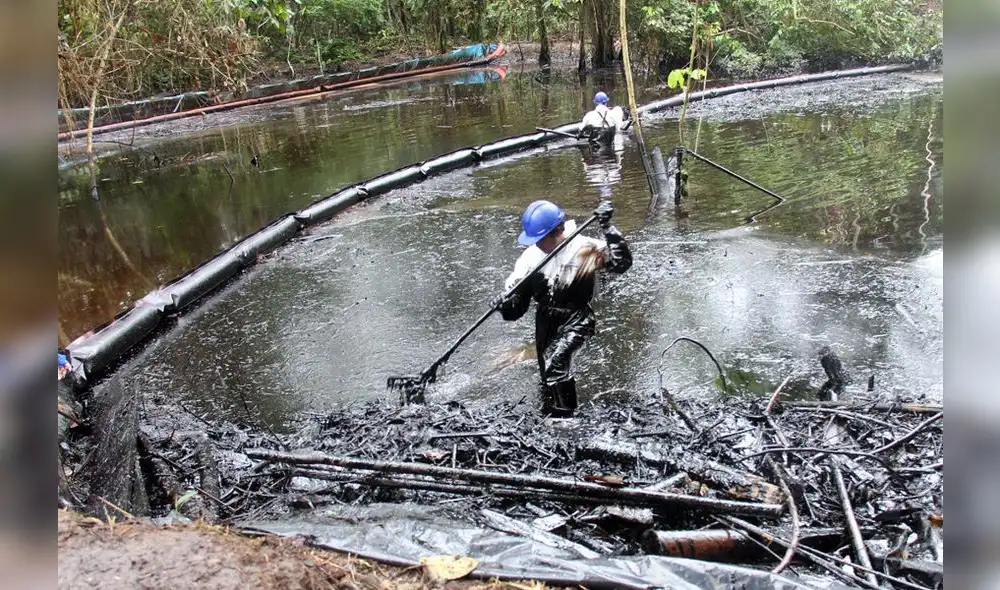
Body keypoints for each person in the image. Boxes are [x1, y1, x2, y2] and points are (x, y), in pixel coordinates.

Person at [493, 199, 632, 417]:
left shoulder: (585, 248)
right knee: (546, 373)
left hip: (577, 317)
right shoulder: (530, 259)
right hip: (546, 319)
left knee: (555, 365)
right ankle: (548, 411)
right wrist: (504, 305)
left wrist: (608, 227)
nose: (536, 244)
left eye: (539, 239)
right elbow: (517, 310)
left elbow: (622, 264)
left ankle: (566, 418)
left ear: (556, 232)